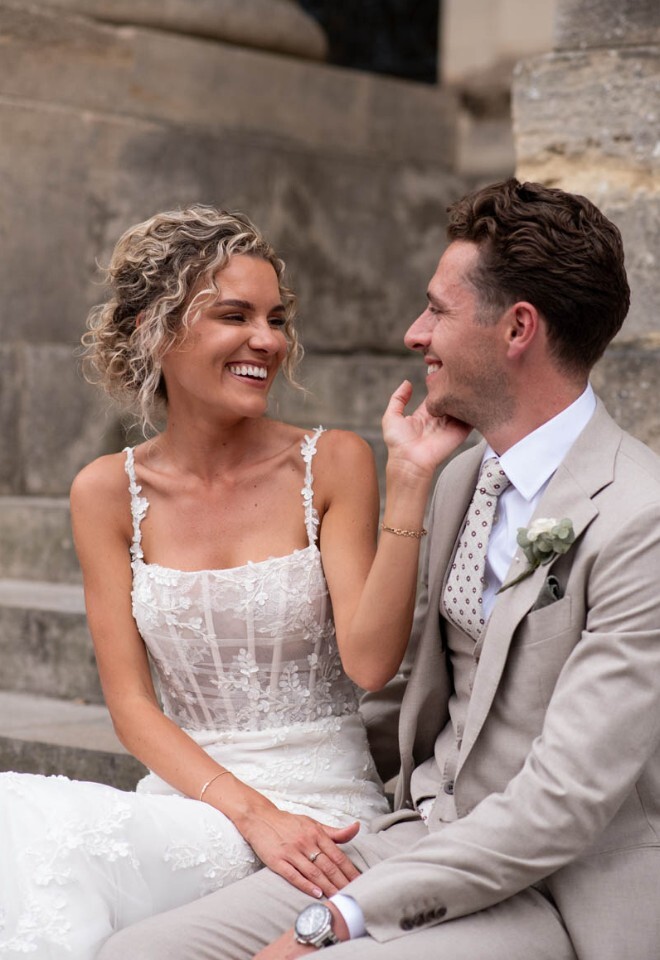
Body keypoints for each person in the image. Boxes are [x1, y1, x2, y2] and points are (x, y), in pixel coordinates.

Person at [98, 178, 660, 960]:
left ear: (518, 328)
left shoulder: (642, 516)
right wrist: (277, 803)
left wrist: (341, 916)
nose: (412, 331)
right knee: (135, 955)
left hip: (556, 883)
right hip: (414, 838)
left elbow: (561, 807)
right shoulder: (462, 478)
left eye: (438, 309)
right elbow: (408, 689)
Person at [1, 203, 458, 958]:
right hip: (190, 803)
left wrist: (408, 481)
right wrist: (250, 815)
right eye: (234, 315)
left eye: (277, 319)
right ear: (155, 329)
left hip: (320, 810)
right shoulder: (104, 493)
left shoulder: (332, 462)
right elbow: (130, 707)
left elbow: (372, 666)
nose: (268, 341)